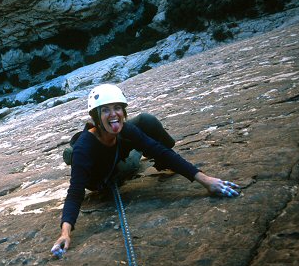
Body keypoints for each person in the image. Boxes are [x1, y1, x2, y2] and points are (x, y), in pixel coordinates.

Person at [52, 83, 240, 254]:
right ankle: (75, 156)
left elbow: (159, 150)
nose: (113, 114)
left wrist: (205, 180)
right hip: (103, 176)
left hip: (117, 153)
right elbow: (75, 192)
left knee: (146, 127)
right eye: (106, 110)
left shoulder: (123, 128)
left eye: (117, 108)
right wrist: (65, 232)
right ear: (96, 117)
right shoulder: (85, 146)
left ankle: (151, 159)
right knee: (133, 162)